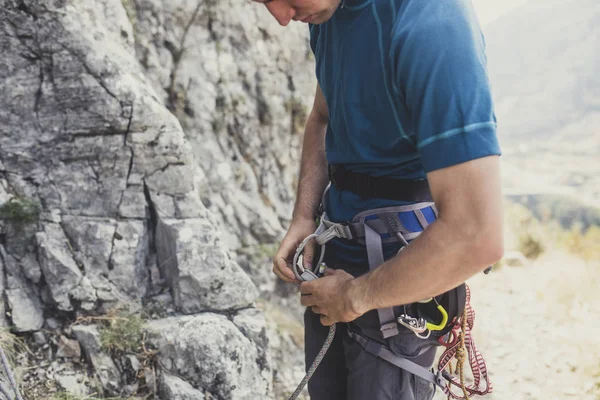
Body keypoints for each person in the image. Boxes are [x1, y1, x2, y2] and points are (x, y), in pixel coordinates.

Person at [252, 0, 504, 399]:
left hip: (399, 283)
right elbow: (323, 115)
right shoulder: (327, 12)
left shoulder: (432, 23)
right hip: (333, 262)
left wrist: (356, 297)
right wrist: (305, 217)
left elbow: (476, 235)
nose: (281, 16)